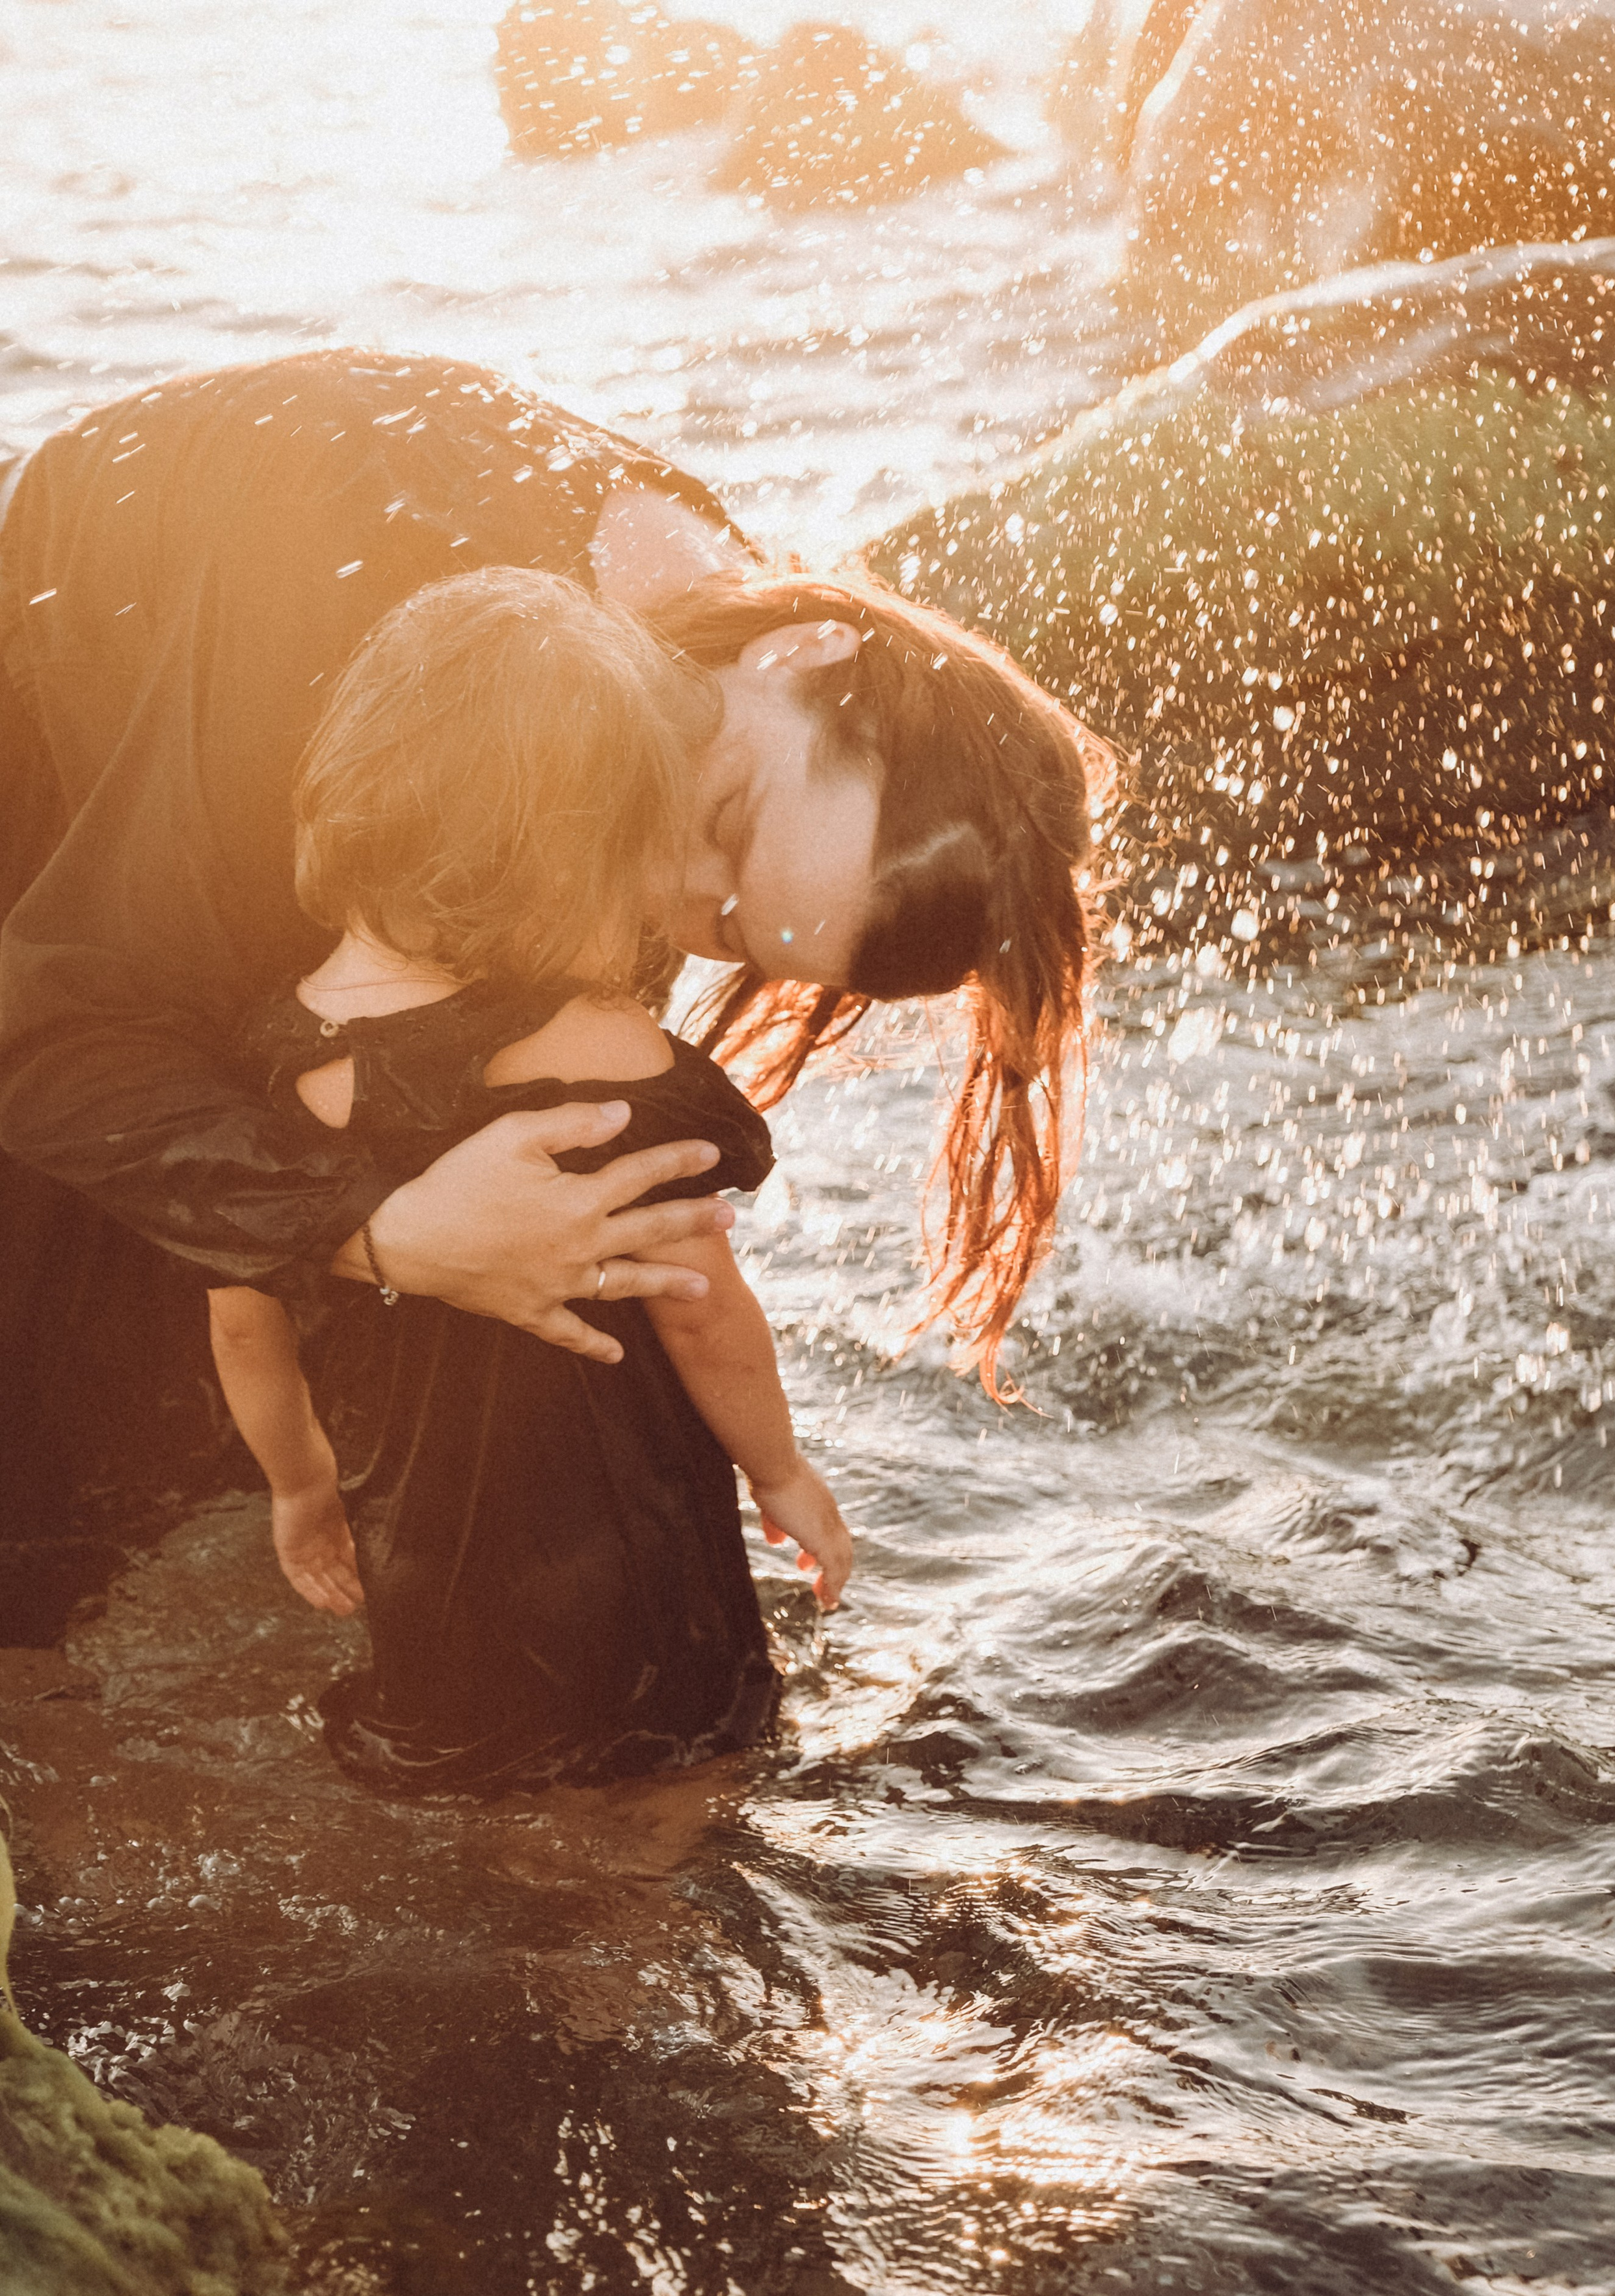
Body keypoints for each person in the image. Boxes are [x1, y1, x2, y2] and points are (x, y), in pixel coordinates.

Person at [0, 349, 1106, 1627]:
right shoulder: (383, 630)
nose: (663, 886)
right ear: (803, 647)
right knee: (57, 1505)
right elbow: (50, 1033)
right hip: (55, 744)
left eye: (726, 931)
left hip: (217, 825)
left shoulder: (701, 667)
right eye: (729, 819)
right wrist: (375, 1229)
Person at [206, 565, 851, 1794]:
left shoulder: (279, 1070)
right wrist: (780, 1471)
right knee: (669, 1770)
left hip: (433, 1558)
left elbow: (245, 1321)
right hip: (627, 1528)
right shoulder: (614, 1059)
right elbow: (703, 1312)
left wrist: (300, 1487)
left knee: (472, 1780)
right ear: (573, 861)